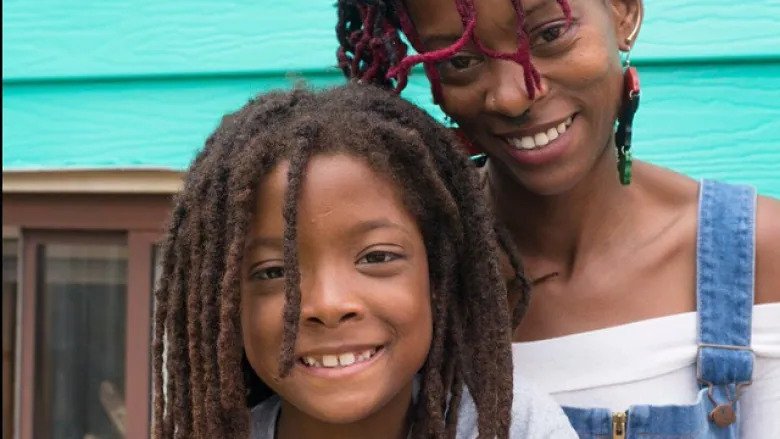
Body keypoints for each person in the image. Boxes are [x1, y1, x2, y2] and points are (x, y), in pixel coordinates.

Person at [334, 0, 780, 437]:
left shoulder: (758, 253)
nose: (512, 96)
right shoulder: (408, 269)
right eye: (462, 60)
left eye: (550, 34)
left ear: (624, 12)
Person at [151, 84, 577, 438]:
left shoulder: (512, 427)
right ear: (224, 308)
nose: (328, 306)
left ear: (438, 278)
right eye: (274, 272)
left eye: (376, 257)